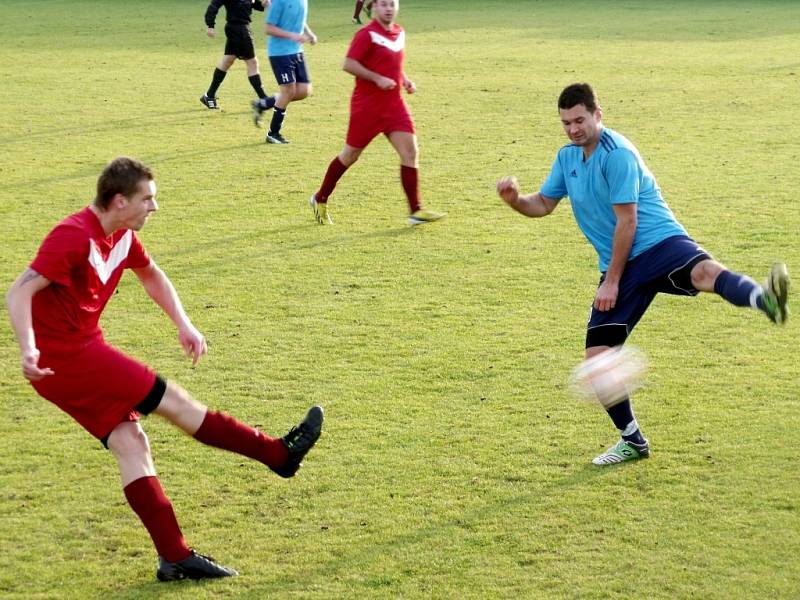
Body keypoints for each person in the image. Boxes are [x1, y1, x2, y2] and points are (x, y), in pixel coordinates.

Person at [6, 157, 324, 581]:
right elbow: (20, 290)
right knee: (174, 402)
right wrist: (28, 349)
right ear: (119, 201)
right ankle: (276, 453)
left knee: (130, 443)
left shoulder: (119, 235)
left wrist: (184, 324)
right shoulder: (73, 236)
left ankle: (174, 556)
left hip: (79, 352)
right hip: (66, 359)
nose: (154, 207)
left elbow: (151, 274)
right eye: (148, 199)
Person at [496, 83, 790, 466]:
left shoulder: (616, 154)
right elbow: (544, 204)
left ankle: (763, 298)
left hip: (657, 241)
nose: (573, 129)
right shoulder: (567, 158)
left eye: (580, 120)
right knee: (598, 356)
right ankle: (632, 440)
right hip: (619, 262)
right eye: (566, 122)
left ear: (598, 114)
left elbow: (628, 221)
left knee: (704, 272)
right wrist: (516, 200)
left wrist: (612, 280)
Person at [309, 0, 444, 226]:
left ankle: (416, 211)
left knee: (410, 152)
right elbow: (349, 64)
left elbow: (393, 64)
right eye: (383, 4)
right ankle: (320, 197)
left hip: (394, 106)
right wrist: (377, 78)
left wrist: (405, 80)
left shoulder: (399, 33)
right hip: (367, 108)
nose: (388, 8)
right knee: (350, 156)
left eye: (392, 4)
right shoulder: (366, 34)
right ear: (373, 7)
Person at [251, 0, 317, 144]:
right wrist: (291, 35)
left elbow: (299, 19)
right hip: (280, 53)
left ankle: (263, 104)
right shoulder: (279, 1)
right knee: (288, 91)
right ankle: (273, 133)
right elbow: (269, 28)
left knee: (304, 91)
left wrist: (309, 33)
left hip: (297, 51)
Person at [201, 0, 271, 110]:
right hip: (239, 30)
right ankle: (264, 99)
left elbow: (252, 4)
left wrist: (263, 4)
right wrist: (210, 25)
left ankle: (209, 95)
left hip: (236, 28)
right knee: (252, 62)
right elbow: (213, 6)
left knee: (227, 60)